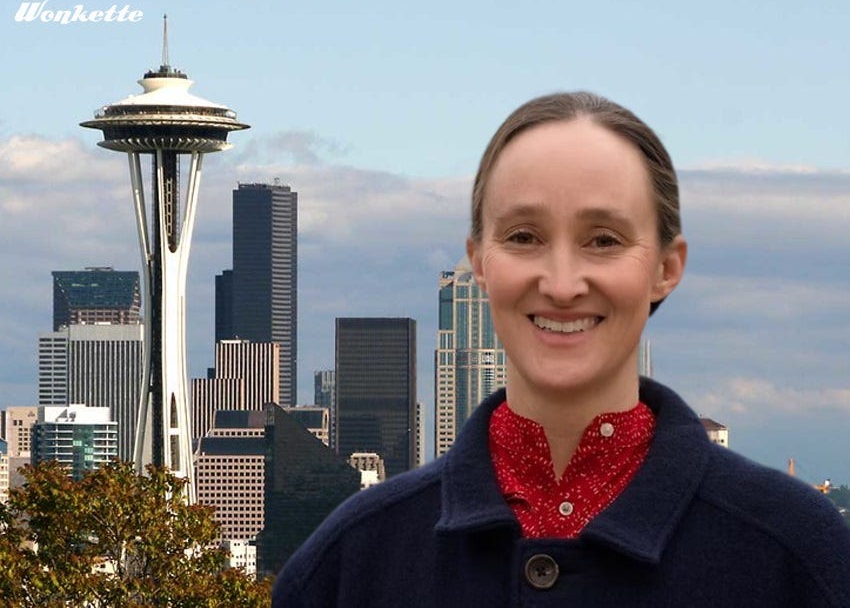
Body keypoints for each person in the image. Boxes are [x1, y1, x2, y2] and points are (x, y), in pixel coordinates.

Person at [273, 92, 850, 606]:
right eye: (524, 237)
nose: (562, 283)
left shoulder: (800, 553)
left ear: (666, 268)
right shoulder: (351, 560)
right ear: (479, 264)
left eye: (604, 240)